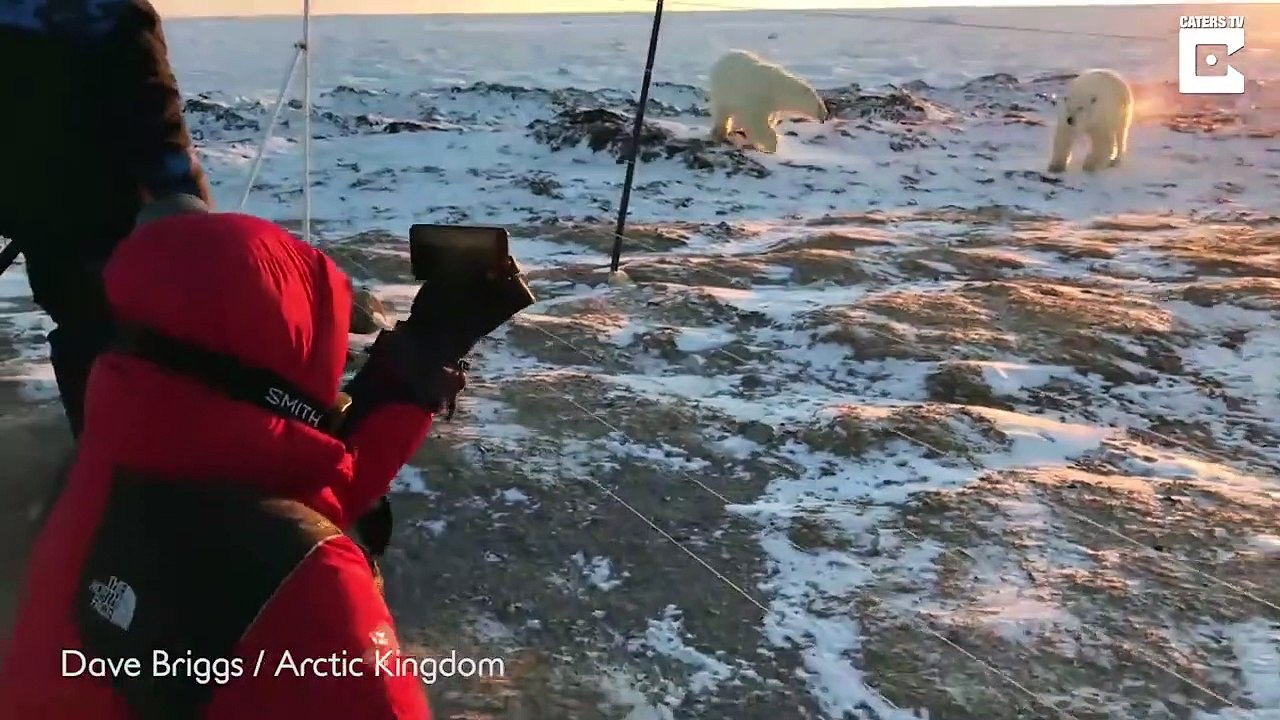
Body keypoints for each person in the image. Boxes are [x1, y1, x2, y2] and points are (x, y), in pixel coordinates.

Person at [0, 198, 533, 719]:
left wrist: (414, 366)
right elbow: (279, 546)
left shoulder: (111, 466)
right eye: (324, 352)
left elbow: (283, 489)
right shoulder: (308, 585)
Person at [0, 0, 211, 438]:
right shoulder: (111, 15)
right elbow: (157, 126)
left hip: (40, 224)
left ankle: (99, 457)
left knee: (81, 332)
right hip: (116, 224)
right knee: (129, 347)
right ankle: (126, 462)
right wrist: (196, 219)